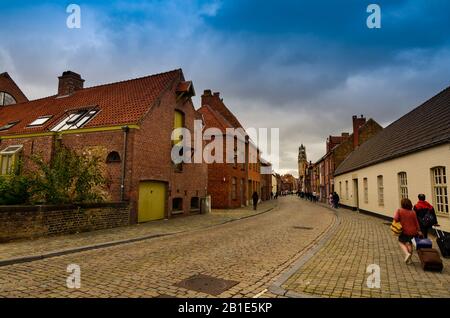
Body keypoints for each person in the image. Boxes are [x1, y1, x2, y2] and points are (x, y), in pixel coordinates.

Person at [394, 198, 422, 264]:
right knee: (409, 244)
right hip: (413, 232)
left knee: (401, 242)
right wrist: (419, 230)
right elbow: (416, 222)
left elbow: (396, 219)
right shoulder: (413, 212)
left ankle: (407, 253)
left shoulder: (400, 210)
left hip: (404, 231)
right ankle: (409, 260)